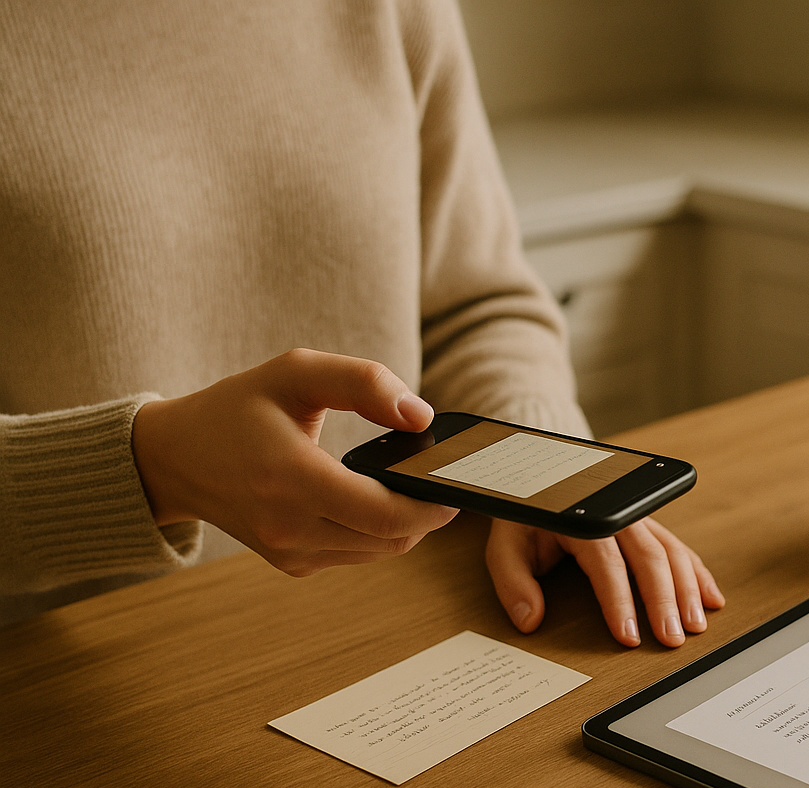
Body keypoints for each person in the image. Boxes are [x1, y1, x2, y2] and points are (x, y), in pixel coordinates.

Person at [0, 0, 722, 641]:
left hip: (401, 626)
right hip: (82, 682)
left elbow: (477, 305)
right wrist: (153, 469)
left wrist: (539, 475)